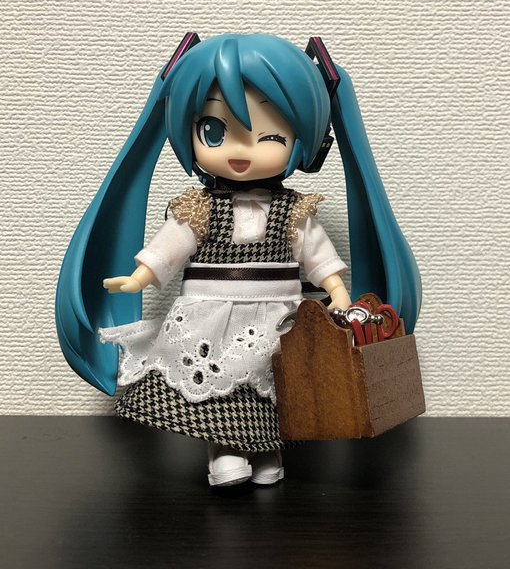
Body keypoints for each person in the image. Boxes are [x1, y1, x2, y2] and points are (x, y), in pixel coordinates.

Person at [56, 33, 421, 487]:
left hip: (277, 315)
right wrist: (139, 277)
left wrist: (338, 293)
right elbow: (170, 248)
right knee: (220, 390)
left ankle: (267, 450)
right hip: (209, 313)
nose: (240, 151)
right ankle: (224, 449)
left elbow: (319, 259)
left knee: (270, 388)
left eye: (270, 136)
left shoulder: (295, 211)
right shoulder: (199, 208)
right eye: (214, 131)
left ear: (303, 142)